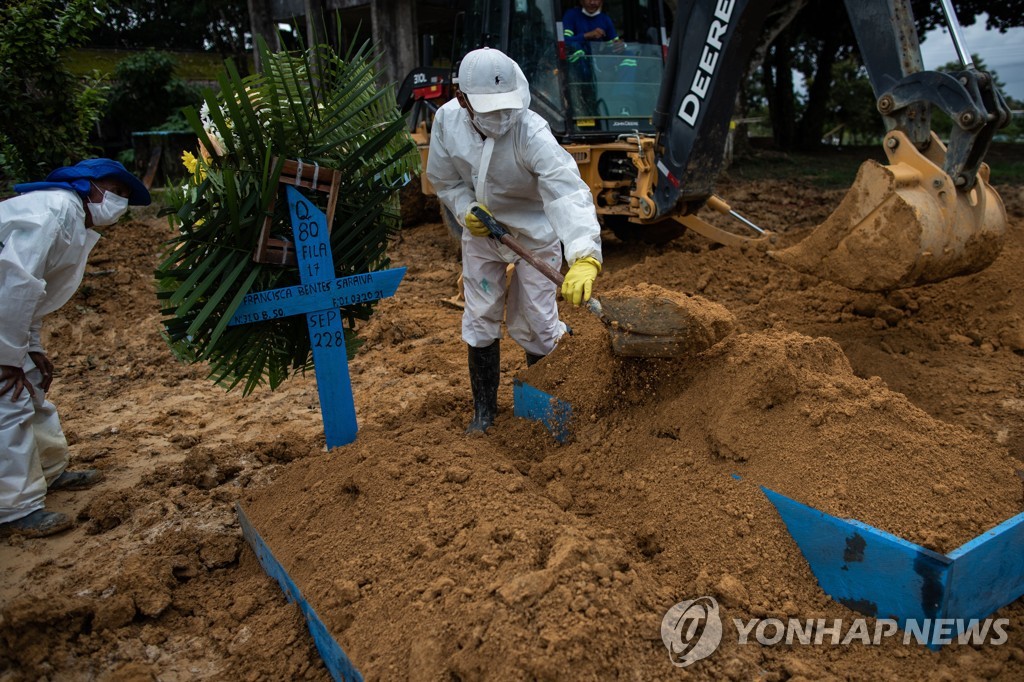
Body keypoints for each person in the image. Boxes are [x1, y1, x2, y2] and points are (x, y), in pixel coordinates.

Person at [426, 47, 602, 435]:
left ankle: (543, 412)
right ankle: (484, 413)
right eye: (490, 110)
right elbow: (444, 179)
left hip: (535, 235)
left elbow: (566, 192)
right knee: (480, 316)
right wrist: (463, 207)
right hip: (481, 232)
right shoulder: (447, 123)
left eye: (506, 107)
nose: (502, 118)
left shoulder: (531, 131)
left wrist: (584, 255)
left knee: (537, 323)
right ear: (463, 100)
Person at [0, 158, 150, 537]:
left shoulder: (71, 220)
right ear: (87, 186)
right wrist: (6, 358)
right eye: (115, 192)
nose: (119, 202)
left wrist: (30, 348)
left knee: (31, 387)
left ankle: (50, 472)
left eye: (125, 197)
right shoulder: (56, 211)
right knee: (8, 401)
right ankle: (15, 511)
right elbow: (16, 283)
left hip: (9, 316)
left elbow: (36, 293)